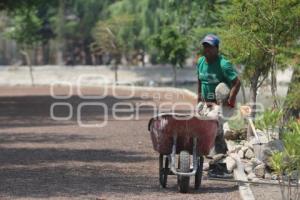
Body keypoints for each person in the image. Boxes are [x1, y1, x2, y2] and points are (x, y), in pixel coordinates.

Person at [196, 34, 241, 154]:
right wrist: (199, 101)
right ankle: (220, 156)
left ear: (217, 48)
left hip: (222, 105)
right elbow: (200, 81)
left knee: (212, 127)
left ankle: (218, 160)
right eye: (205, 46)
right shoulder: (200, 62)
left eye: (210, 47)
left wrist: (230, 100)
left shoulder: (223, 64)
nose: (207, 50)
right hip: (206, 103)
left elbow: (237, 82)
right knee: (199, 128)